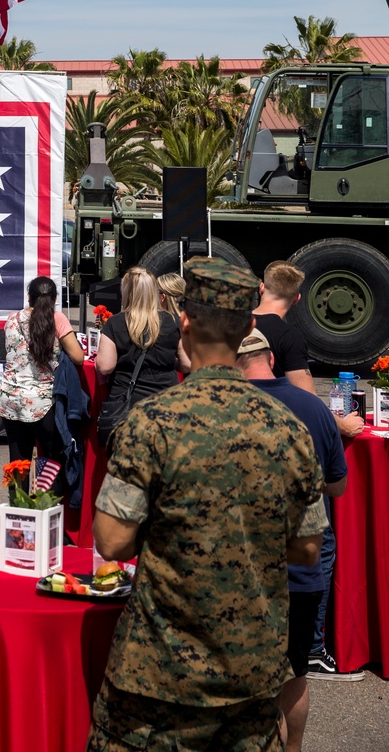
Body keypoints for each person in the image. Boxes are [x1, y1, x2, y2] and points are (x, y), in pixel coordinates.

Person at [87, 258, 327, 752]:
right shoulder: (290, 430)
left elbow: (111, 543)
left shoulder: (150, 424)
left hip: (157, 675)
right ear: (249, 330)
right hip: (253, 670)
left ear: (187, 325)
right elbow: (307, 549)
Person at [236, 327, 353, 751]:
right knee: (296, 672)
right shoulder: (313, 407)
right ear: (271, 358)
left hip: (242, 565)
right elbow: (338, 488)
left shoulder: (227, 408)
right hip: (302, 564)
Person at [95, 265, 189, 450]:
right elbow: (187, 364)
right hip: (166, 405)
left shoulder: (115, 323)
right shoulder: (172, 321)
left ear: (126, 292)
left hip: (127, 408)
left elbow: (105, 366)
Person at [0, 275, 85, 462]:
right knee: (52, 461)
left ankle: (17, 492)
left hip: (10, 397)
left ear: (29, 297)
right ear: (54, 299)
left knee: (18, 460)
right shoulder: (57, 319)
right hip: (42, 401)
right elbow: (78, 357)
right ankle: (46, 492)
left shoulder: (13, 318)